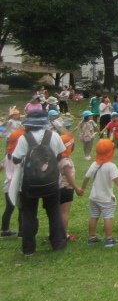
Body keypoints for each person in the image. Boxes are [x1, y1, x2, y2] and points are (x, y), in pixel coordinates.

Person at [11, 109, 68, 255]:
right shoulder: (54, 136)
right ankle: (58, 244)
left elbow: (16, 159)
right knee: (54, 211)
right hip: (51, 181)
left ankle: (28, 249)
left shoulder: (24, 138)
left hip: (29, 183)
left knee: (28, 214)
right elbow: (60, 155)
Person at [81, 139, 118, 247]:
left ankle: (92, 237)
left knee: (93, 216)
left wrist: (82, 188)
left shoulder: (94, 164)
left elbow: (86, 177)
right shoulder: (111, 166)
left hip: (94, 197)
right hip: (106, 198)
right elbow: (117, 180)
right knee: (108, 217)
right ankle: (109, 239)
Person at [58, 133, 83, 242]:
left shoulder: (58, 158)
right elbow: (69, 178)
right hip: (66, 189)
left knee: (58, 212)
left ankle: (55, 233)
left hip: (58, 188)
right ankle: (64, 234)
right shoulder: (66, 162)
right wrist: (77, 189)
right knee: (64, 213)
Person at [1, 128, 24, 237]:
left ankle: (5, 230)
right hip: (18, 186)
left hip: (8, 186)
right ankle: (21, 232)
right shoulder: (20, 156)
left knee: (9, 208)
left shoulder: (7, 155)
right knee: (21, 208)